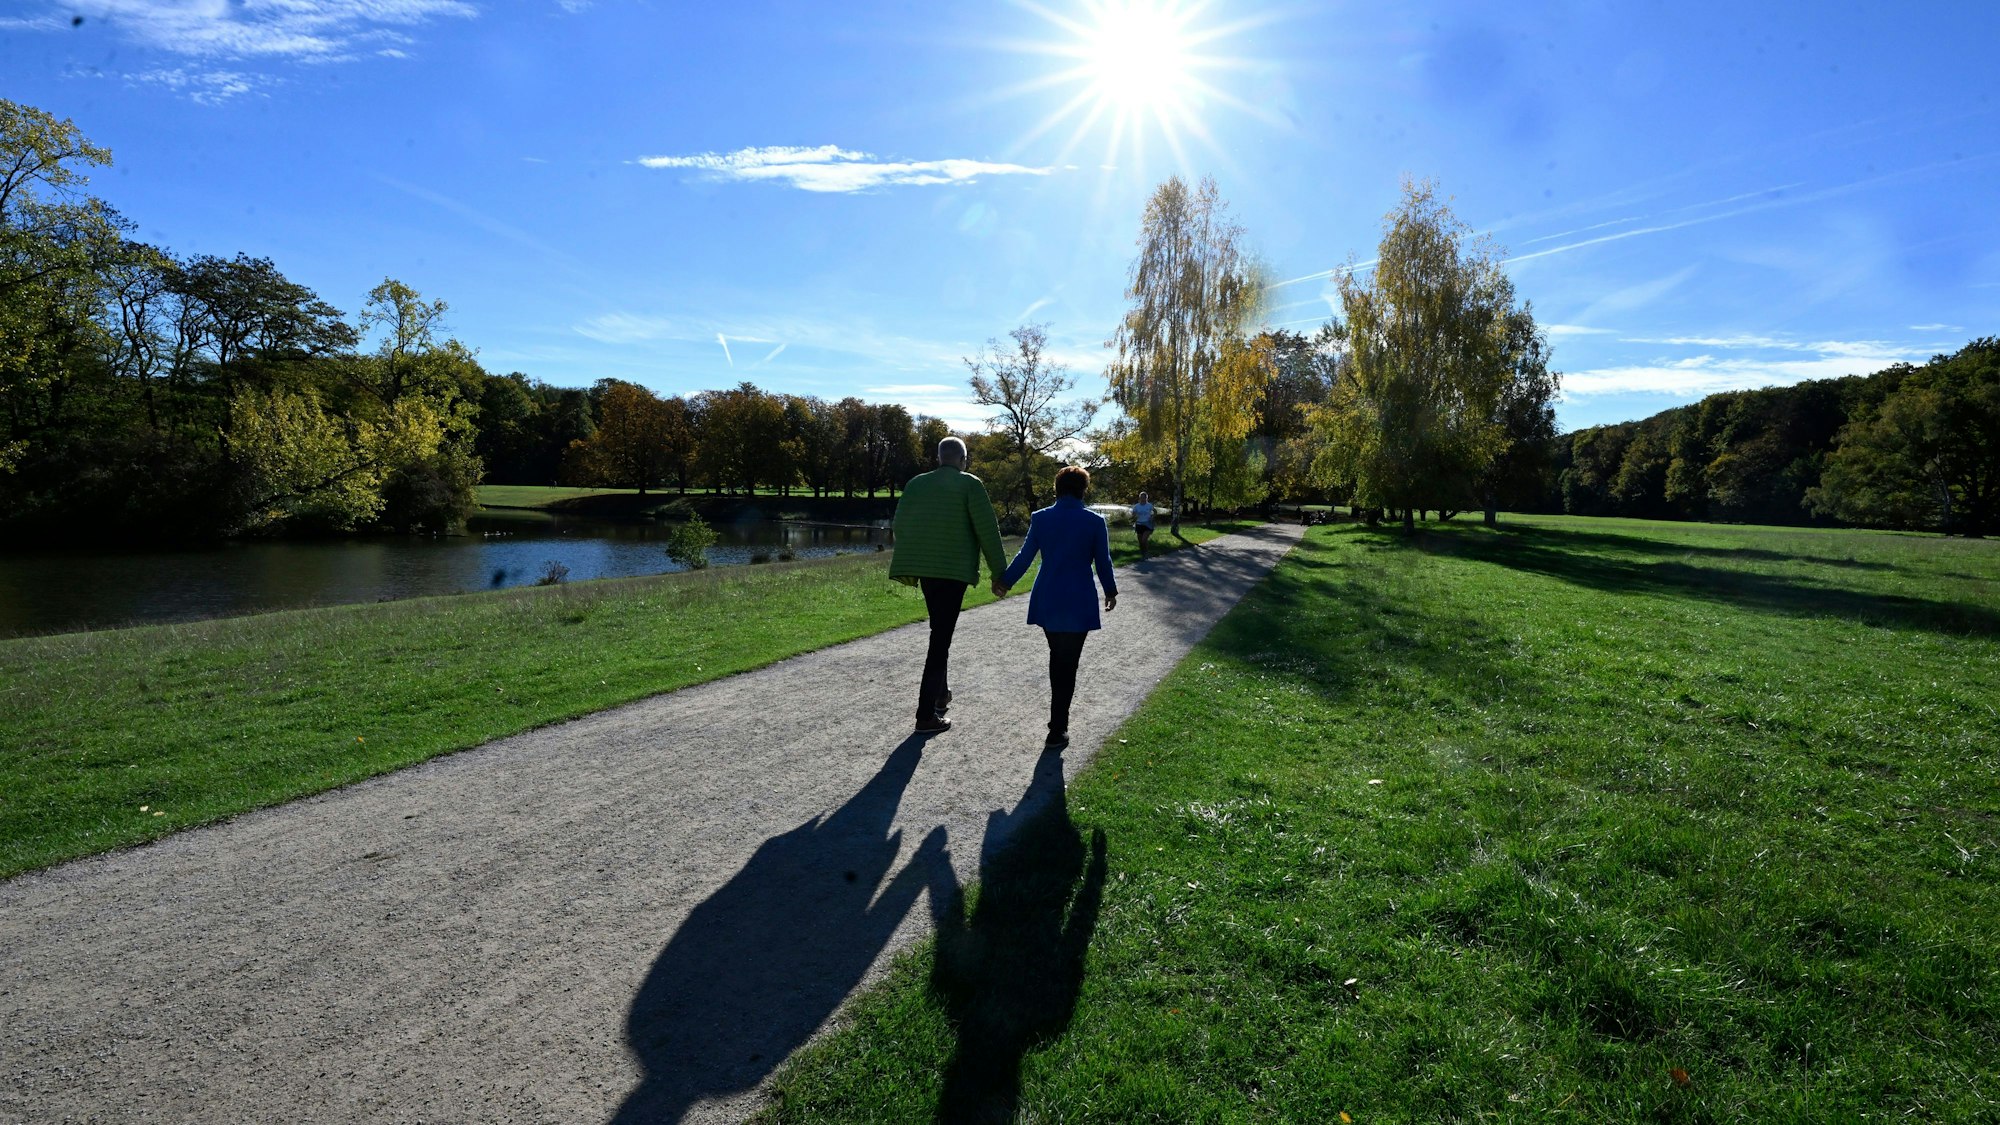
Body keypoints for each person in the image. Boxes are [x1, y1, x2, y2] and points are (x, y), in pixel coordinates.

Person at [889, 436, 1008, 735]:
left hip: (927, 572)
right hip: (954, 572)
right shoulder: (970, 484)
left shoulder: (916, 484)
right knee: (940, 639)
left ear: (939, 458)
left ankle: (941, 695)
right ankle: (925, 716)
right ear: (962, 460)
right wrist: (999, 573)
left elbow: (900, 525)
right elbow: (988, 532)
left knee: (939, 631)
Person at [1000, 465, 1117, 751]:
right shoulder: (1094, 521)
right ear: (1083, 489)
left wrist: (1005, 581)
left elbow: (1025, 556)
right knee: (1069, 663)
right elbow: (1103, 560)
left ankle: (1057, 726)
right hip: (1079, 599)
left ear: (1057, 488)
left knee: (1057, 656)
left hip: (1049, 597)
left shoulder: (1041, 518)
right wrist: (1110, 590)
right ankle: (1058, 727)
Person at [1131, 490, 1156, 556]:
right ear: (1139, 498)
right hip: (1139, 524)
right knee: (1140, 541)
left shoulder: (1149, 505)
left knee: (1144, 540)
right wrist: (1133, 516)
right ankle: (1143, 553)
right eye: (1141, 497)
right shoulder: (1136, 506)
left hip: (1147, 524)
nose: (1143, 499)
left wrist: (1152, 517)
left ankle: (1146, 552)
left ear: (1146, 498)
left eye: (1144, 497)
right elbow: (1133, 514)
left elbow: (1155, 511)